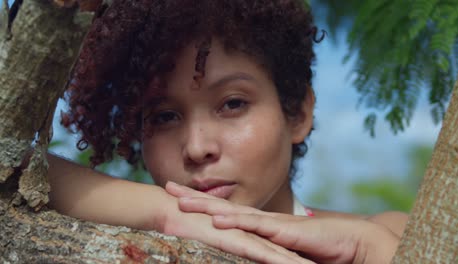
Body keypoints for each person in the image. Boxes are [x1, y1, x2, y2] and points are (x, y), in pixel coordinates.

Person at [48, 0, 408, 263]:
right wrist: (164, 213)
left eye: (233, 104)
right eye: (164, 116)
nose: (197, 147)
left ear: (297, 113)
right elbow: (13, 159)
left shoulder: (389, 239)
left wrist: (370, 250)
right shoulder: (126, 238)